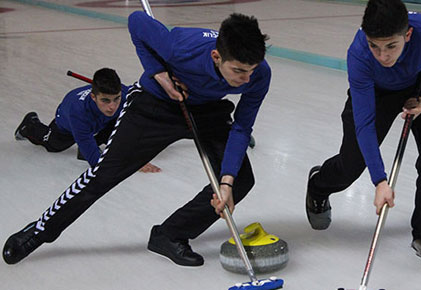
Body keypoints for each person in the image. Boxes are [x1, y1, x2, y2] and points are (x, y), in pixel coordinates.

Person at [3, 11, 270, 267]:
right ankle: (40, 230)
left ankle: (170, 235)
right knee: (104, 174)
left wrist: (226, 182)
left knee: (240, 180)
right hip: (155, 104)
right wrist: (159, 73)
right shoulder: (180, 47)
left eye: (251, 71)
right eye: (238, 71)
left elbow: (242, 128)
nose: (246, 79)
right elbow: (136, 21)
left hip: (207, 109)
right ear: (216, 56)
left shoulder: (259, 74)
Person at [305, 0, 421, 268]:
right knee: (352, 164)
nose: (382, 55)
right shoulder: (359, 55)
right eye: (374, 46)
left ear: (407, 35)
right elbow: (364, 124)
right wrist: (380, 180)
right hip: (377, 94)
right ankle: (319, 184)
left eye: (391, 46)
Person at [14, 68, 160, 173]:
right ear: (93, 97)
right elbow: (96, 162)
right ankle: (30, 124)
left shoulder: (124, 94)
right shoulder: (78, 114)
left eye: (116, 99)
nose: (112, 106)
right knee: (54, 145)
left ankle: (92, 142)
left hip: (99, 122)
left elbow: (145, 94)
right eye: (105, 100)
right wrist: (133, 161)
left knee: (124, 119)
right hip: (66, 126)